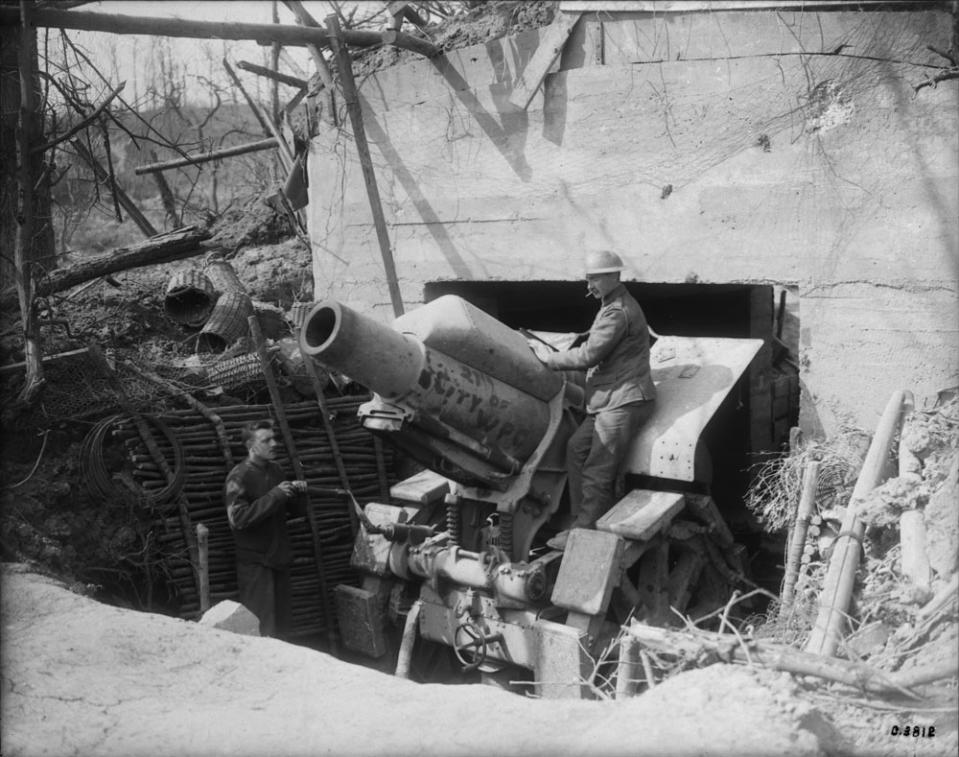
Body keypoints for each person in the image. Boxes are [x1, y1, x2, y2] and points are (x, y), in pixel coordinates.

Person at [540, 250, 656, 551]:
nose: (588, 286)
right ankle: (584, 519)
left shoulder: (618, 312)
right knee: (575, 448)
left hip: (622, 400)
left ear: (613, 277)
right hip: (607, 399)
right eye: (588, 278)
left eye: (593, 279)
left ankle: (583, 530)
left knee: (598, 466)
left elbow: (590, 354)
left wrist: (549, 360)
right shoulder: (609, 305)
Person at [224, 419, 307, 637]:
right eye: (266, 440)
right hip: (255, 565)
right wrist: (276, 495)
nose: (274, 443)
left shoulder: (277, 470)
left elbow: (294, 512)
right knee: (261, 628)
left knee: (283, 627)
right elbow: (238, 519)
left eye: (274, 438)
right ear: (251, 445)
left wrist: (297, 494)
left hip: (278, 558)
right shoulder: (238, 476)